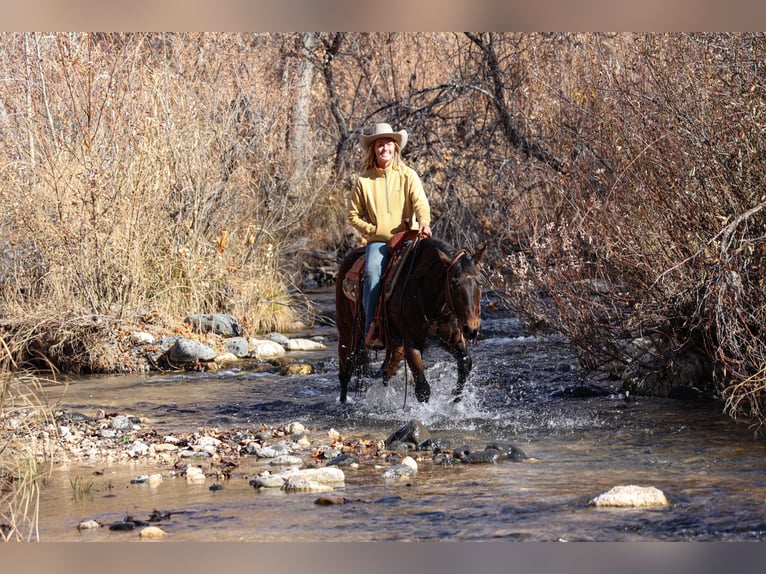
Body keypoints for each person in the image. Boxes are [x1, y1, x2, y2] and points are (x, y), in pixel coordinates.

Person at [348, 122, 432, 349]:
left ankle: (435, 324)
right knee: (373, 273)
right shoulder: (363, 181)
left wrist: (424, 222)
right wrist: (372, 230)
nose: (384, 148)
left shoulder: (408, 175)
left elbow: (420, 202)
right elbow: (353, 215)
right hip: (379, 242)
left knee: (433, 269)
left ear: (395, 148)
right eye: (379, 144)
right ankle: (371, 330)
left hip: (409, 238)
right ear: (373, 149)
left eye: (388, 144)